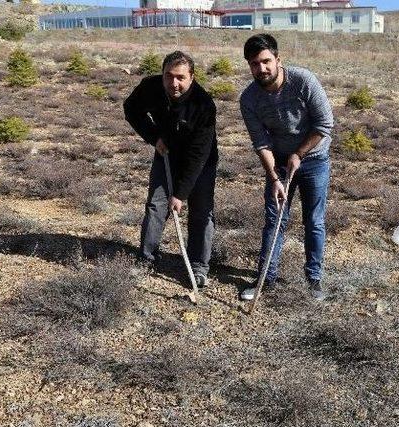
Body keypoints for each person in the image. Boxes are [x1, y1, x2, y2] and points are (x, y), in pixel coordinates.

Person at [239, 34, 333, 301]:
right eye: (255, 64)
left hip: (314, 159)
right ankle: (266, 278)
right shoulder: (249, 98)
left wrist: (299, 153)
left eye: (266, 61)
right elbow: (261, 141)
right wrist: (274, 176)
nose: (262, 69)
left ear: (278, 60)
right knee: (275, 220)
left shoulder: (303, 81)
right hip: (279, 164)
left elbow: (324, 124)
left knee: (314, 221)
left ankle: (313, 279)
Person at [124, 50, 217, 288]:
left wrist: (181, 194)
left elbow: (199, 154)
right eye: (168, 76)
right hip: (165, 152)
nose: (173, 83)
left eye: (180, 77)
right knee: (156, 205)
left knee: (201, 211)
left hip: (199, 162)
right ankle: (147, 258)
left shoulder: (204, 104)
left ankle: (198, 266)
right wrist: (154, 137)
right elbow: (131, 108)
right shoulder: (151, 87)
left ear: (191, 77)